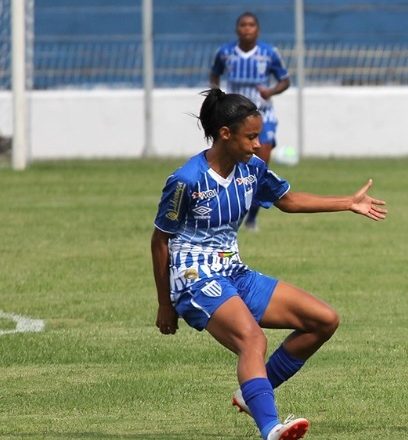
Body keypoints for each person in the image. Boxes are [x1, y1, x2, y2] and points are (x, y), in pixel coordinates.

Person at [151, 89, 387, 440]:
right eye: (251, 137)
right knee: (252, 340)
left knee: (322, 321)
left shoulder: (252, 168)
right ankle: (271, 428)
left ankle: (251, 394)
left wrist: (347, 202)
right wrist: (165, 304)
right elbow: (159, 240)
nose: (259, 144)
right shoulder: (187, 180)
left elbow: (287, 201)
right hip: (194, 275)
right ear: (226, 134)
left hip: (234, 270)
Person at [211, 11, 291, 231]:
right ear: (237, 29)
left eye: (251, 25)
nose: (247, 28)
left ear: (257, 29)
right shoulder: (225, 53)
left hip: (264, 116)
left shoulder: (269, 53)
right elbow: (214, 74)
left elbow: (285, 80)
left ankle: (252, 218)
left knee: (260, 163)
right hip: (235, 117)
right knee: (232, 164)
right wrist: (218, 95)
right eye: (243, 25)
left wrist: (271, 90)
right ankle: (229, 210)